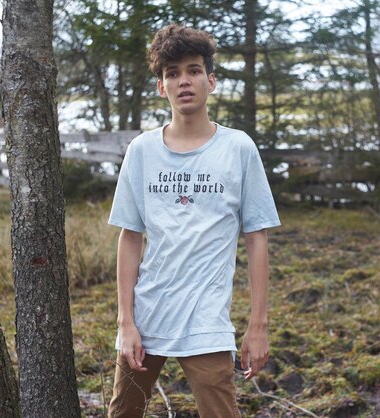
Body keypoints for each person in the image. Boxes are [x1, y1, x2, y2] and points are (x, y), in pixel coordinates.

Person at [107, 24, 280, 418]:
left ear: (211, 80)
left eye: (193, 70)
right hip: (146, 320)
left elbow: (257, 237)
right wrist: (126, 322)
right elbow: (130, 237)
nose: (184, 81)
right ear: (160, 86)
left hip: (207, 322)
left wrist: (258, 325)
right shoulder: (142, 151)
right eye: (172, 73)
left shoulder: (238, 148)